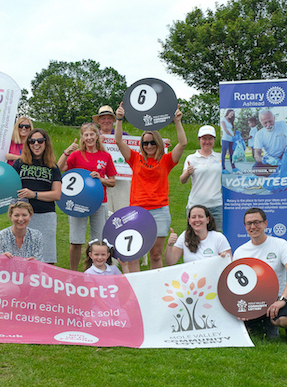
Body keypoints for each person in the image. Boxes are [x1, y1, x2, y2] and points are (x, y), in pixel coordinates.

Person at [115, 103, 187, 273]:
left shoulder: (166, 160)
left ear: (158, 142)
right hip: (137, 212)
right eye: (145, 143)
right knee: (135, 253)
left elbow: (183, 143)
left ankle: (156, 289)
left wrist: (177, 121)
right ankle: (137, 290)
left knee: (155, 255)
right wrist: (119, 119)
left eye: (152, 142)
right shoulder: (134, 158)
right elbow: (118, 140)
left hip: (160, 211)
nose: (149, 146)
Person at [233, 208, 287, 338]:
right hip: (252, 300)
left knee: (286, 321)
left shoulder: (280, 244)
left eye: (257, 222)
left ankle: (270, 321)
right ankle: (257, 322)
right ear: (245, 226)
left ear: (265, 224)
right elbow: (236, 285)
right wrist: (239, 307)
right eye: (249, 223)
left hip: (276, 299)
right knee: (233, 320)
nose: (253, 226)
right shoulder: (240, 252)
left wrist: (282, 300)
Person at [58, 122, 116, 271]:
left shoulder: (106, 156)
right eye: (86, 135)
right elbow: (59, 170)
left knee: (99, 242)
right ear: (82, 137)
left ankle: (96, 272)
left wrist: (101, 179)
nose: (89, 138)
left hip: (100, 202)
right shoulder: (76, 155)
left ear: (97, 136)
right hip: (78, 202)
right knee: (76, 241)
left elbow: (112, 181)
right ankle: (73, 272)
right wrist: (66, 152)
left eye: (92, 134)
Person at [12, 128, 61, 264]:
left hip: (46, 215)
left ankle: (45, 284)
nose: (36, 144)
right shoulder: (19, 164)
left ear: (46, 143)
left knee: (47, 258)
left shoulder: (53, 167)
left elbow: (57, 194)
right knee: (22, 257)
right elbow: (8, 188)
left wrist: (33, 194)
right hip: (23, 217)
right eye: (32, 141)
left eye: (40, 141)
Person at [180, 125, 223, 230]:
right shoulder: (192, 158)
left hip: (216, 205)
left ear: (214, 140)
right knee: (195, 238)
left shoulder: (220, 157)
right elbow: (182, 180)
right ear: (199, 140)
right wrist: (187, 173)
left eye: (210, 139)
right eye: (204, 139)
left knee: (216, 238)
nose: (207, 142)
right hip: (196, 205)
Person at [94, 105, 132, 217]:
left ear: (113, 120)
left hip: (121, 179)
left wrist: (162, 145)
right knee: (104, 214)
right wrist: (98, 142)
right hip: (100, 180)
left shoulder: (124, 136)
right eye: (103, 118)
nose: (106, 121)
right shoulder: (93, 136)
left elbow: (138, 150)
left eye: (109, 118)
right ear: (99, 121)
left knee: (124, 212)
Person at [164, 205, 231, 265]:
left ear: (207, 220)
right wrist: (169, 244)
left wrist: (224, 258)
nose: (197, 220)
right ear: (189, 221)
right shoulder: (184, 236)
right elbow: (170, 262)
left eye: (200, 216)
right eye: (193, 217)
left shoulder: (218, 237)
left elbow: (230, 263)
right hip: (190, 277)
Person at [220, 109, 239, 174]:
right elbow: (225, 129)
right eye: (231, 113)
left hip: (231, 139)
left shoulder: (230, 121)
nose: (232, 115)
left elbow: (229, 129)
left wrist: (234, 132)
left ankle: (233, 168)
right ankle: (223, 168)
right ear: (228, 113)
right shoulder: (223, 119)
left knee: (232, 154)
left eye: (233, 114)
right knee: (224, 154)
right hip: (225, 139)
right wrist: (231, 135)